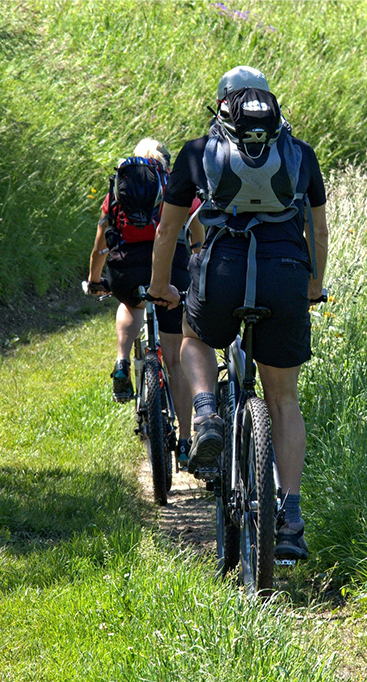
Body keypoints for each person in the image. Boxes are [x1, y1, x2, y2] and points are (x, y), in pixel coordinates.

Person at [147, 67, 328, 561]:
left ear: (222, 106)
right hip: (285, 275)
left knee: (194, 335)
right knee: (283, 399)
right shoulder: (301, 153)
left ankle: (206, 413)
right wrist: (313, 285)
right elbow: (317, 229)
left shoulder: (196, 152)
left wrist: (161, 286)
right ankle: (290, 518)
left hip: (223, 271)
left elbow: (167, 232)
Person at [83, 138, 202, 462]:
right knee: (175, 361)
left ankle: (122, 360)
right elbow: (197, 231)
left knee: (130, 303)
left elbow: (100, 245)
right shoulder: (175, 186)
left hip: (126, 271)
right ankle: (186, 440)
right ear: (165, 161)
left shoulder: (119, 189)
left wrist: (95, 281)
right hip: (172, 272)